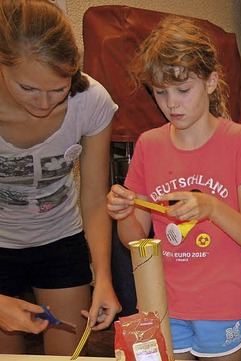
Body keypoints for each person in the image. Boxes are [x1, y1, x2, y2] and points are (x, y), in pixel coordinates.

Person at [106, 16, 241, 361]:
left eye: (182, 90)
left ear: (211, 81)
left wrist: (212, 208)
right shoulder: (148, 144)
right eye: (160, 92)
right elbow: (136, 241)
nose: (171, 104)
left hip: (222, 303)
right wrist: (123, 214)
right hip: (164, 300)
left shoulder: (240, 141)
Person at [0, 0, 121, 355]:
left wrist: (104, 278)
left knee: (68, 354)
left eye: (58, 89)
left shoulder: (92, 101)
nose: (43, 103)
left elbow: (95, 197)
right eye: (28, 88)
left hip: (59, 238)